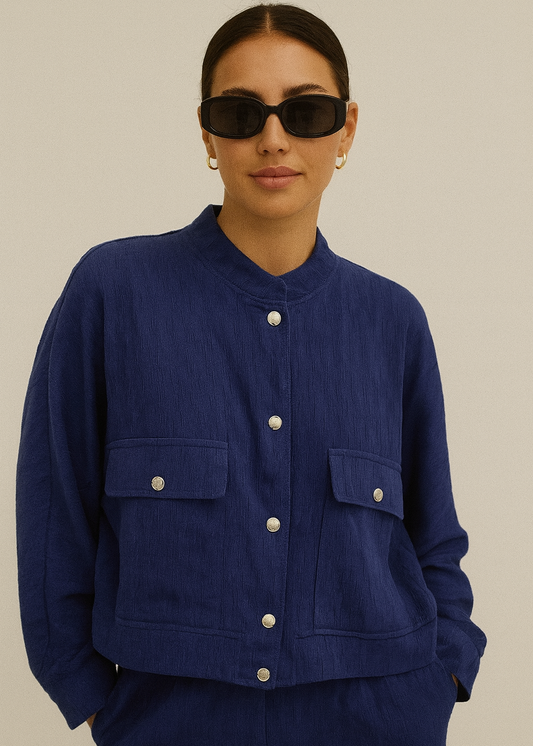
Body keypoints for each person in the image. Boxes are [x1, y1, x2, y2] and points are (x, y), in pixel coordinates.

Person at [16, 4, 486, 745]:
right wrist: (86, 690)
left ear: (346, 129)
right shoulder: (113, 291)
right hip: (169, 722)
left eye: (306, 111)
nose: (273, 139)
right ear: (207, 132)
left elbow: (434, 535)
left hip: (378, 717)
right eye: (239, 113)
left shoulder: (392, 319)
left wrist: (445, 672)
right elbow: (54, 514)